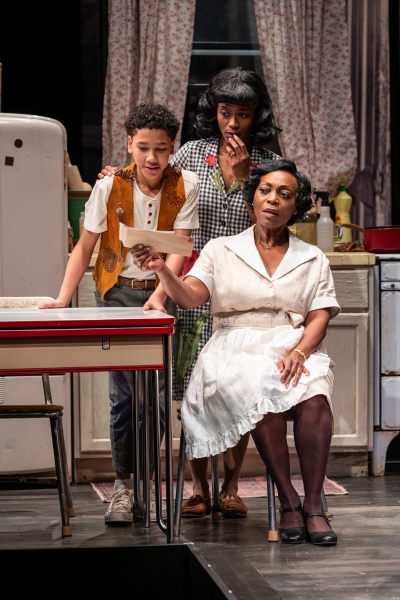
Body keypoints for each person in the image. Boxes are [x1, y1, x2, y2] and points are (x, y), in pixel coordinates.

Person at [100, 68, 282, 518]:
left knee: (236, 392)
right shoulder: (192, 153)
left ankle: (232, 486)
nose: (233, 124)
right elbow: (155, 181)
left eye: (243, 114)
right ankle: (199, 487)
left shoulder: (266, 162)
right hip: (187, 284)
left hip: (238, 288)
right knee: (194, 394)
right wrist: (115, 176)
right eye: (225, 113)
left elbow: (269, 220)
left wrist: (244, 180)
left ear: (255, 116)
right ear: (214, 113)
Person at [130, 159, 340, 546]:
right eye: (265, 191)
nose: (273, 200)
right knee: (262, 390)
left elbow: (320, 315)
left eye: (285, 194)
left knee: (315, 400)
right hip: (233, 345)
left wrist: (299, 352)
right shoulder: (221, 249)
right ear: (251, 199)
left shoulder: (312, 257)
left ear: (298, 206)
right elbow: (191, 297)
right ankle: (289, 501)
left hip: (293, 344)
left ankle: (313, 504)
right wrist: (162, 270)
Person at [41, 104, 199, 524]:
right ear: (129, 144)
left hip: (159, 295)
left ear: (172, 149)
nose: (151, 158)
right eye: (143, 147)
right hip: (117, 295)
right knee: (125, 397)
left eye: (161, 149)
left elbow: (180, 249)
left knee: (157, 399)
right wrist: (62, 300)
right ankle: (124, 486)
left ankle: (148, 482)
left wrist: (162, 297)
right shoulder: (109, 188)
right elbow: (85, 247)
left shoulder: (187, 184)